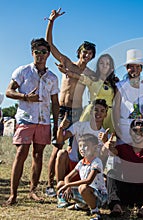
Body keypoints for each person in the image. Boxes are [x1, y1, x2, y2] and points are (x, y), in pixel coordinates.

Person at [45, 8, 97, 196]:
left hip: (78, 110)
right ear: (79, 52)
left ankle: (70, 181)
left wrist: (72, 74)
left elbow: (97, 83)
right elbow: (49, 45)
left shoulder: (89, 73)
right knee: (57, 146)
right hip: (62, 110)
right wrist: (51, 21)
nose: (87, 55)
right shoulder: (66, 61)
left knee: (74, 147)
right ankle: (50, 184)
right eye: (85, 52)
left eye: (91, 53)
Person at [3, 38, 59, 206]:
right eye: (37, 52)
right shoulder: (23, 71)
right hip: (26, 118)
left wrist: (56, 124)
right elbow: (8, 91)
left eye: (43, 52)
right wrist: (26, 97)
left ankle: (32, 191)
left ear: (48, 54)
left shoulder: (53, 77)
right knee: (21, 154)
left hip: (43, 121)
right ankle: (13, 194)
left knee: (38, 155)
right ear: (32, 53)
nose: (40, 55)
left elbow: (55, 103)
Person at [105, 119, 143, 218]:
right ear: (130, 132)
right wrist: (106, 144)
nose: (138, 133)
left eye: (141, 130)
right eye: (135, 130)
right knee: (112, 173)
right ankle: (116, 206)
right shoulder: (123, 148)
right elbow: (112, 151)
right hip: (127, 190)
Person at [55, 99, 108, 200]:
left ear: (106, 114)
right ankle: (61, 194)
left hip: (89, 172)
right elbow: (60, 141)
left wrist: (106, 143)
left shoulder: (104, 134)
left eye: (102, 111)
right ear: (91, 111)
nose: (99, 113)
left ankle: (80, 197)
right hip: (74, 167)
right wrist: (61, 128)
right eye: (96, 110)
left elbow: (102, 159)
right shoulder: (80, 125)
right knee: (61, 153)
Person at [58, 54, 118, 133]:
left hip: (109, 115)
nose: (104, 66)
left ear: (111, 67)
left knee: (107, 141)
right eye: (101, 63)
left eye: (107, 64)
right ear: (98, 66)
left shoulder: (114, 83)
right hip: (92, 113)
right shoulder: (92, 79)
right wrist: (66, 71)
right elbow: (78, 76)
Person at [56, 134, 107, 220]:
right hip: (85, 191)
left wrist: (68, 185)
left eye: (86, 146)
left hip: (99, 196)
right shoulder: (81, 162)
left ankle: (95, 211)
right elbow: (67, 177)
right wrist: (68, 186)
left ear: (95, 148)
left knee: (83, 188)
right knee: (61, 184)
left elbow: (88, 181)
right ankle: (81, 205)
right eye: (80, 146)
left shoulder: (96, 162)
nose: (82, 149)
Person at [112, 49, 143, 144]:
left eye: (137, 66)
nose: (135, 69)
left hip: (141, 129)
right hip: (125, 127)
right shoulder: (119, 86)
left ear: (141, 69)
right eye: (131, 66)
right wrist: (117, 128)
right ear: (127, 68)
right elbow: (116, 108)